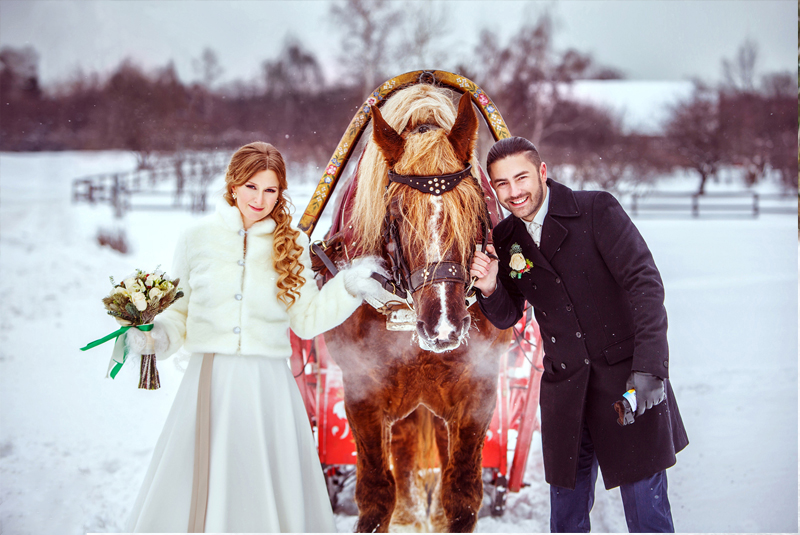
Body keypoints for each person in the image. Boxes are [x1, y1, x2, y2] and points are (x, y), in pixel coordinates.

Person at [124, 142, 383, 533]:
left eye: (270, 190)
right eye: (251, 187)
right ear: (233, 185)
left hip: (268, 385)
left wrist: (348, 286)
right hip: (210, 382)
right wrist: (155, 338)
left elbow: (307, 320)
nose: (260, 199)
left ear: (281, 193)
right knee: (201, 479)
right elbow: (179, 312)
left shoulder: (291, 244)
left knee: (264, 481)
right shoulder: (196, 239)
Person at [470, 137, 688, 533]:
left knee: (646, 513)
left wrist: (650, 370)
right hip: (564, 391)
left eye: (521, 177)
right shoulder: (507, 240)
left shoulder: (595, 210)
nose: (514, 192)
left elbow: (646, 284)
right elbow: (507, 316)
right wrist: (489, 287)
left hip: (626, 382)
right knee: (566, 519)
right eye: (502, 184)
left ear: (542, 172)